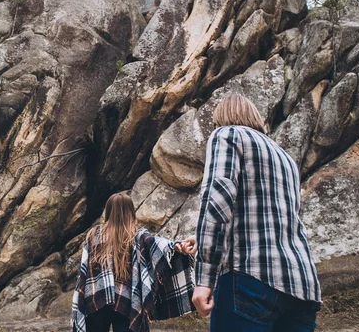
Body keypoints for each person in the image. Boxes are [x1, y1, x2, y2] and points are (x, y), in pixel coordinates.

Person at [191, 94, 322, 331]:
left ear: (221, 119)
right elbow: (277, 219)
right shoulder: (286, 159)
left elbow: (218, 203)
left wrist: (204, 278)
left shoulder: (227, 135)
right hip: (302, 286)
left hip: (250, 280)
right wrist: (200, 240)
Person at [72, 192, 196, 332]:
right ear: (131, 211)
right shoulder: (138, 235)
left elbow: (84, 271)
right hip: (127, 302)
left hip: (96, 297)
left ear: (109, 211)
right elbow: (159, 245)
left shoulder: (94, 234)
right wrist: (178, 246)